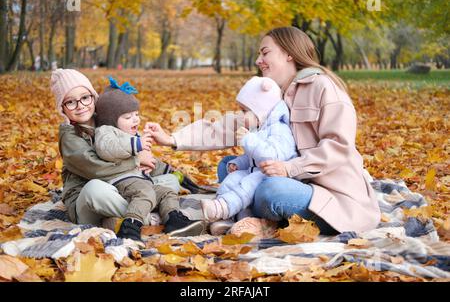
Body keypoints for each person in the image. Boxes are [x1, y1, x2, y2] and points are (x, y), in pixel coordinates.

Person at [145, 26, 381, 235]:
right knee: (226, 166)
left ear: (289, 53)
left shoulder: (323, 87)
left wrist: (289, 168)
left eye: (265, 52)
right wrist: (172, 138)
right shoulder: (273, 95)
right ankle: (254, 216)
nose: (258, 60)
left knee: (271, 190)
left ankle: (252, 216)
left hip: (329, 194)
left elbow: (338, 148)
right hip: (292, 180)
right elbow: (231, 125)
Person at [50, 69, 190, 237]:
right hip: (88, 200)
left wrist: (158, 167)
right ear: (62, 109)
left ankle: (123, 217)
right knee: (94, 189)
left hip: (120, 187)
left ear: (93, 97)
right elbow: (96, 170)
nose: (80, 106)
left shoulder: (106, 120)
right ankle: (147, 218)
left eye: (85, 98)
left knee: (169, 182)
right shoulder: (69, 136)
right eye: (71, 102)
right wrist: (136, 160)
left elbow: (125, 148)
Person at [93, 77, 206, 241]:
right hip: (120, 181)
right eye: (128, 117)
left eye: (137, 114)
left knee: (166, 192)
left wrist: (171, 171)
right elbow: (107, 148)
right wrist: (136, 144)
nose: (135, 119)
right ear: (111, 119)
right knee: (145, 192)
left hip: (139, 181)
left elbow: (149, 162)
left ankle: (173, 220)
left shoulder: (132, 136)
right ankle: (130, 226)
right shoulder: (106, 132)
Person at [200, 76, 297, 222]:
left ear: (261, 111)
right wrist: (239, 163)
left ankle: (223, 208)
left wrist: (248, 140)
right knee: (233, 179)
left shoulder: (279, 129)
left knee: (248, 183)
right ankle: (230, 217)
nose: (241, 115)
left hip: (273, 174)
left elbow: (272, 157)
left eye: (245, 111)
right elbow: (252, 157)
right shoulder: (258, 128)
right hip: (257, 170)